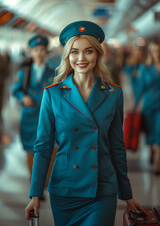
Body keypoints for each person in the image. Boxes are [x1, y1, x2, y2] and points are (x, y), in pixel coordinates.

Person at [25, 21, 146, 225]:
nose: (81, 58)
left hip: (102, 189)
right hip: (65, 189)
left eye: (88, 51)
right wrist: (35, 194)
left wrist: (126, 193)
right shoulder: (53, 94)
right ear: (67, 56)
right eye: (74, 52)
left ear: (98, 54)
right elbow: (43, 146)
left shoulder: (113, 94)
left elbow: (116, 146)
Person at [12, 35, 56, 180]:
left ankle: (46, 181)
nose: (38, 53)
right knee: (31, 149)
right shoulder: (24, 73)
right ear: (30, 52)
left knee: (50, 149)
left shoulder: (53, 72)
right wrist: (23, 97)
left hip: (48, 117)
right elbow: (16, 90)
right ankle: (35, 182)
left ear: (46, 52)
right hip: (29, 117)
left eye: (42, 49)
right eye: (35, 49)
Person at [135, 42, 160, 175]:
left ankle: (157, 163)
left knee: (159, 131)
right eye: (155, 51)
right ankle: (151, 149)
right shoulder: (144, 68)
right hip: (149, 103)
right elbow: (140, 87)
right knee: (150, 130)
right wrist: (135, 104)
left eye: (159, 51)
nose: (157, 53)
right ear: (151, 52)